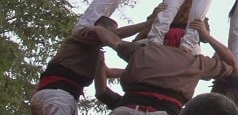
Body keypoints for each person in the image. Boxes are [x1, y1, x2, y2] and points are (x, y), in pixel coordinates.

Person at [95, 18, 238, 115]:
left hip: (127, 108)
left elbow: (107, 35)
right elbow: (234, 67)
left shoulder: (145, 52)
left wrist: (149, 23)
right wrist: (207, 36)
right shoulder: (197, 62)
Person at [30, 14, 161, 115]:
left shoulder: (93, 55)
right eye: (109, 31)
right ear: (100, 26)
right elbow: (117, 34)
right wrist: (148, 23)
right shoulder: (83, 34)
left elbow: (109, 72)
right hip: (58, 96)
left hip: (55, 96)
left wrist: (147, 71)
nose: (109, 36)